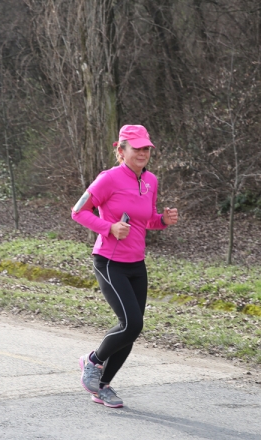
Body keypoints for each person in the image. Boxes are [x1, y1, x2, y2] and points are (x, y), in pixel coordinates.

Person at [71, 124, 178, 408]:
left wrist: (164, 221)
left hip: (136, 264)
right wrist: (108, 228)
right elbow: (78, 211)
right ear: (121, 150)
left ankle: (103, 386)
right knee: (132, 323)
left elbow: (148, 220)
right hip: (109, 261)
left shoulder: (150, 181)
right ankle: (92, 361)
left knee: (131, 329)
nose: (143, 153)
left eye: (146, 148)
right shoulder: (108, 179)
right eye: (137, 148)